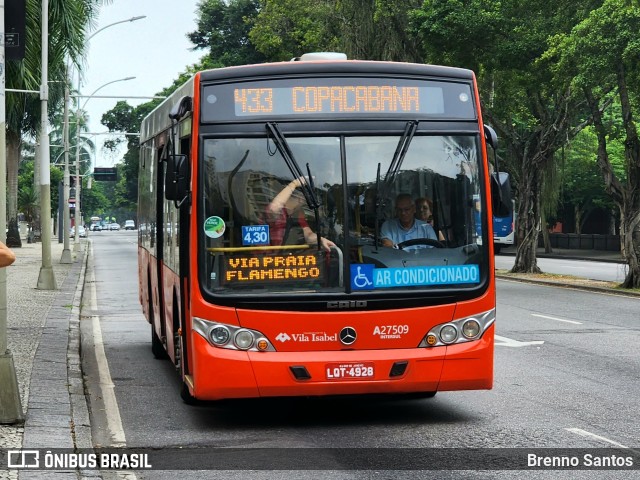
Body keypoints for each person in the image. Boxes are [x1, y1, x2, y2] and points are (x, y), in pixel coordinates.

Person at [266, 177, 336, 252]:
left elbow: (308, 235)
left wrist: (321, 240)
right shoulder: (278, 211)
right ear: (300, 198)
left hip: (283, 257)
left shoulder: (298, 213)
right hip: (263, 258)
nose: (306, 200)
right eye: (305, 197)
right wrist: (294, 184)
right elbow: (273, 208)